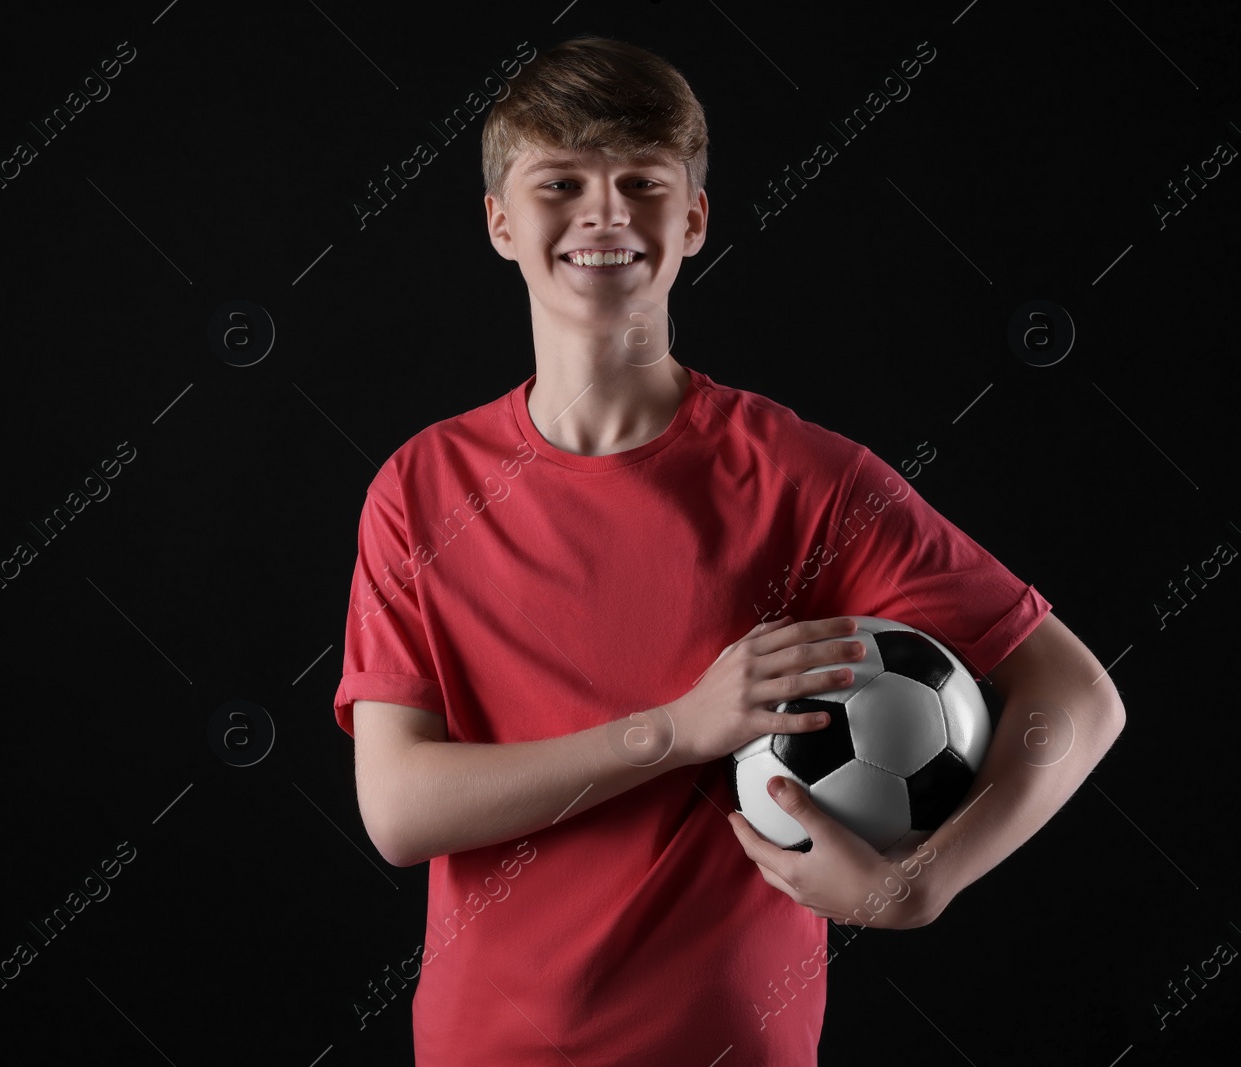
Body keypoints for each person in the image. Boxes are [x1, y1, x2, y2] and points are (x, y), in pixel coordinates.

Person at [332, 34, 1125, 1065]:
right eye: (561, 181)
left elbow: (1076, 696)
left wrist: (917, 882)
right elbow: (398, 808)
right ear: (500, 223)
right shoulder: (419, 486)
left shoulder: (804, 477)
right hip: (480, 1044)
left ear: (694, 217)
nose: (605, 213)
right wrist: (673, 730)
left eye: (642, 182)